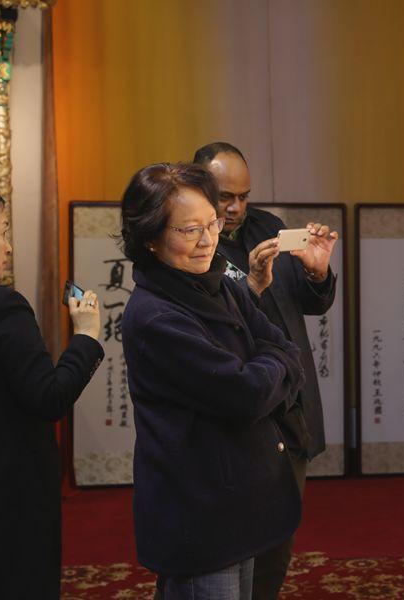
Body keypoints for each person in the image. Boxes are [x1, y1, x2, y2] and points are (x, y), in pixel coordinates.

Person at [120, 162, 308, 599]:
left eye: (212, 224)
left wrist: (271, 362)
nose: (208, 240)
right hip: (199, 512)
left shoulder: (217, 282)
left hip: (239, 501)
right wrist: (274, 363)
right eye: (189, 230)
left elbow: (286, 349)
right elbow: (246, 393)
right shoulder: (155, 316)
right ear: (150, 238)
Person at [193, 142, 338, 599]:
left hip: (289, 406)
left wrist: (317, 274)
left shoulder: (268, 228)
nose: (235, 207)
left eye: (243, 196)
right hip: (234, 412)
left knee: (278, 541)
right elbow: (214, 328)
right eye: (224, 197)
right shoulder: (192, 245)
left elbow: (305, 305)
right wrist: (251, 284)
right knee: (225, 543)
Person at [0, 192, 104, 598]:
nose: (8, 246)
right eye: (2, 231)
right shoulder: (5, 306)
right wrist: (87, 335)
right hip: (11, 494)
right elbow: (50, 397)